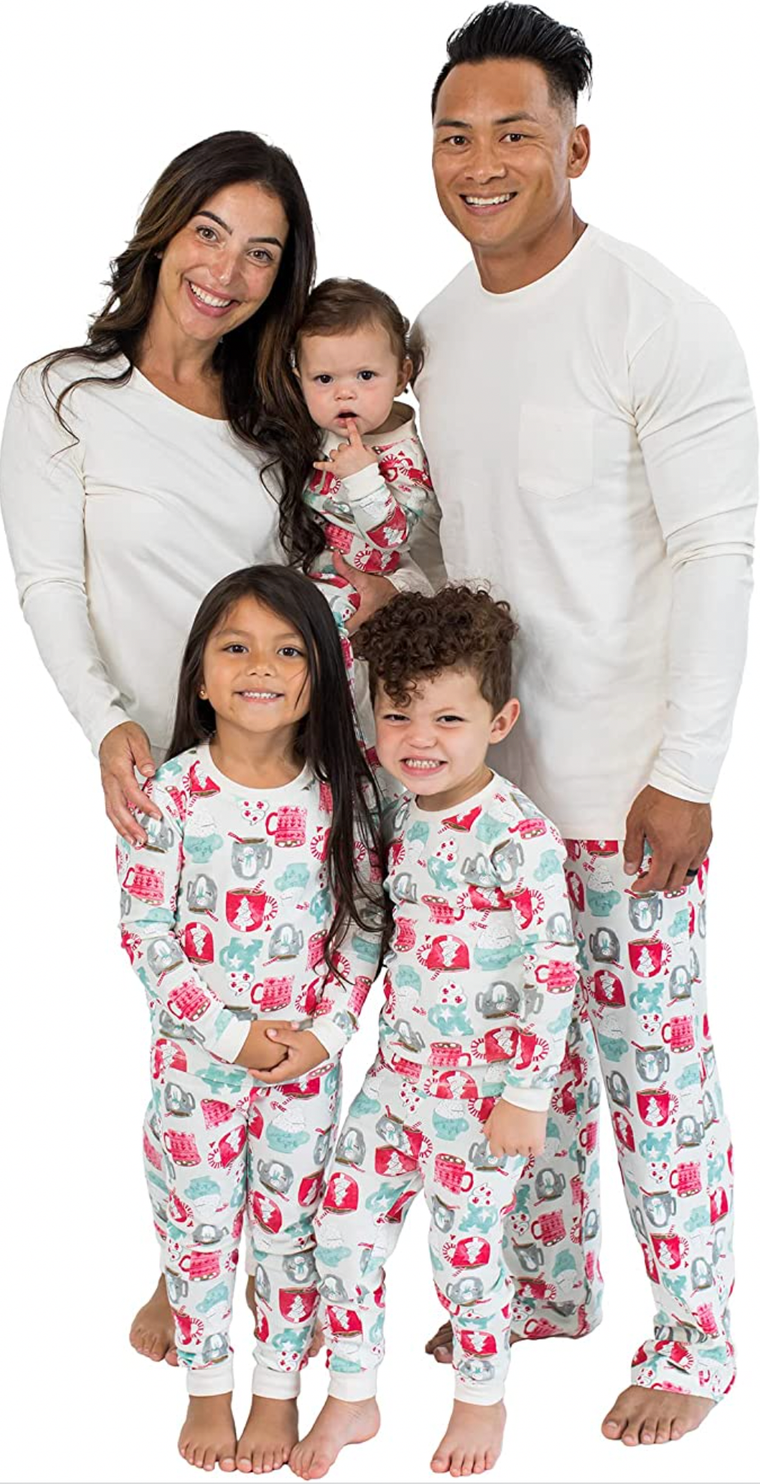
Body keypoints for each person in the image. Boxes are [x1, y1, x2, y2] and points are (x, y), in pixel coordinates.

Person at [0, 131, 417, 1366]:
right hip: (171, 756)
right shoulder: (64, 395)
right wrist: (106, 722)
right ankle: (192, 1270)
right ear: (165, 227)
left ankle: (305, 1277)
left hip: (299, 747)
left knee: (313, 998)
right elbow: (48, 579)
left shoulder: (274, 416)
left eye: (263, 253)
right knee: (192, 1002)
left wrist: (383, 606)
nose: (227, 271)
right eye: (209, 233)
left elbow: (335, 564)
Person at [411, 1, 757, 1448]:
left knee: (650, 1070)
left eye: (516, 134)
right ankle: (546, 1288)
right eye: (457, 136)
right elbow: (438, 545)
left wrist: (686, 769)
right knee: (518, 1062)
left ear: (576, 147)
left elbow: (720, 548)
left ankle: (700, 1336)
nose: (482, 162)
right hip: (486, 798)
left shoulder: (653, 317)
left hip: (624, 789)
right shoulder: (435, 328)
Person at [290, 587, 579, 1480]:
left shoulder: (517, 833)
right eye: (398, 715)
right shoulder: (400, 815)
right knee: (342, 1229)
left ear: (501, 721)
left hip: (485, 1099)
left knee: (466, 1254)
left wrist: (527, 1094)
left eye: (449, 718)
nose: (420, 738)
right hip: (396, 1080)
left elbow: (554, 969)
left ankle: (481, 1399)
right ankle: (352, 1391)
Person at [117, 564, 386, 1471]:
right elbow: (146, 932)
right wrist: (229, 1034)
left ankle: (278, 1390)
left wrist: (327, 1035)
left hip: (303, 1068)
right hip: (199, 1068)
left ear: (319, 676)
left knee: (289, 1229)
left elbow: (363, 928)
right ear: (200, 675)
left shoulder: (341, 795)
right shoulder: (171, 795)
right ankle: (207, 1387)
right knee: (197, 1223)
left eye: (288, 651)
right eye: (235, 647)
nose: (260, 666)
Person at [293, 277, 433, 665]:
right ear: (300, 381)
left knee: (324, 652)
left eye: (366, 376)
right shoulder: (315, 430)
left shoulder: (403, 455)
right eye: (324, 379)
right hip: (303, 575)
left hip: (357, 588)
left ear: (401, 377)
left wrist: (363, 479)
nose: (344, 392)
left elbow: (393, 537)